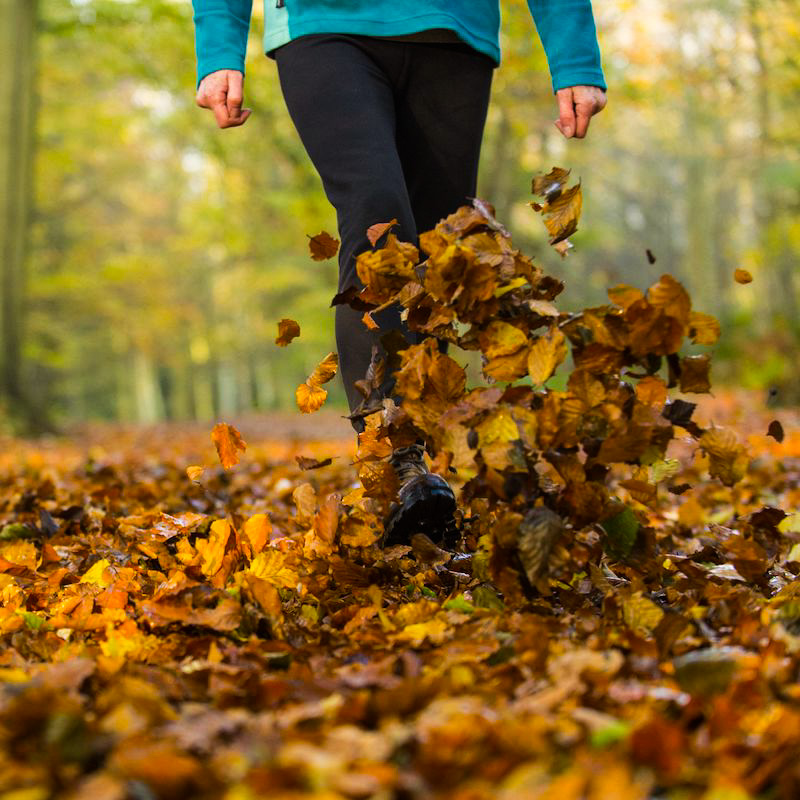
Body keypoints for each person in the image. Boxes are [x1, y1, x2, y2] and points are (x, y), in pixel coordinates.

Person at [191, 1, 607, 543]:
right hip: (326, 27)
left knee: (436, 254)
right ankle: (395, 464)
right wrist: (221, 46)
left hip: (454, 32)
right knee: (377, 226)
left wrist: (573, 57)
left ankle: (424, 477)